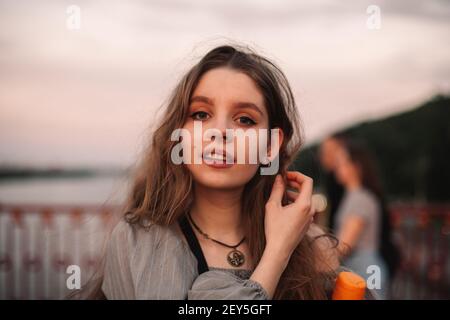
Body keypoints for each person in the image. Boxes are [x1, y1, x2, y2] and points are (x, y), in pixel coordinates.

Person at [73, 44, 347, 300]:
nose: (220, 132)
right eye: (201, 115)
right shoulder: (139, 241)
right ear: (179, 134)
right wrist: (277, 254)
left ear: (271, 145)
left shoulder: (311, 250)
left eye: (244, 120)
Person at [333, 137, 398, 299]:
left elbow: (344, 246)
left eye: (342, 162)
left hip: (365, 270)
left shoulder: (360, 199)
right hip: (360, 269)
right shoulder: (355, 196)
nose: (337, 167)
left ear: (356, 166)